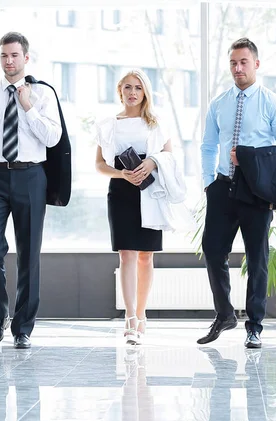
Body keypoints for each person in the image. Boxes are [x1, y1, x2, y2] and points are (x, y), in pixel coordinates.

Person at [0, 32, 61, 349]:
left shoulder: (43, 94)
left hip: (31, 176)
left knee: (29, 254)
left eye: (15, 55)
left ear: (26, 57)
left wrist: (28, 106)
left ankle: (23, 328)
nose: (9, 61)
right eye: (4, 56)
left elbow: (53, 138)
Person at [198, 38, 276, 348]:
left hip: (256, 193)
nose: (237, 68)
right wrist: (207, 182)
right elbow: (208, 145)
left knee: (257, 259)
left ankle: (255, 325)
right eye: (233, 63)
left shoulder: (271, 103)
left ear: (256, 64)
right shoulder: (219, 103)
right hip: (222, 187)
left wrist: (251, 161)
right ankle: (225, 314)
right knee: (213, 250)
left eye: (243, 62)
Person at [95, 69, 173, 345]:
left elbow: (169, 157)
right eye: (127, 87)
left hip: (150, 191)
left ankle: (141, 314)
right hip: (121, 192)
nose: (132, 92)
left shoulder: (156, 124)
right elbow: (100, 165)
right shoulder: (108, 125)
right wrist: (122, 175)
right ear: (119, 91)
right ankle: (130, 319)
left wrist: (151, 163)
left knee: (145, 256)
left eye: (138, 88)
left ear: (145, 92)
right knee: (126, 254)